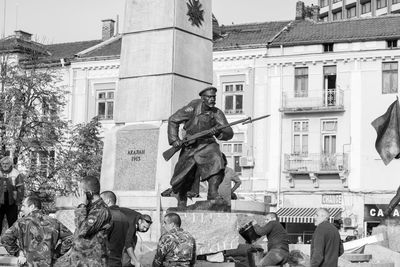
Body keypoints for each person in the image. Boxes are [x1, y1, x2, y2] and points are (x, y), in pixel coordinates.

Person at [168, 86, 234, 208]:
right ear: (203, 99)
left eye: (214, 97)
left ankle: (213, 193)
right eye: (209, 97)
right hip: (191, 145)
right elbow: (173, 120)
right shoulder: (192, 108)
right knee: (183, 175)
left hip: (207, 144)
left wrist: (218, 132)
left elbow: (229, 132)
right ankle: (181, 200)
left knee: (217, 159)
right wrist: (174, 140)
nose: (212, 99)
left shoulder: (217, 113)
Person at [55, 176, 112, 267]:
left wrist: (81, 206)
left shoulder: (101, 210)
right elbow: (77, 235)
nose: (78, 195)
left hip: (92, 262)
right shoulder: (89, 208)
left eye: (81, 192)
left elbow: (83, 230)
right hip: (80, 260)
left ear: (89, 193)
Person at [0, 196, 72, 266]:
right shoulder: (54, 222)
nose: (22, 208)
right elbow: (71, 238)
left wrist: (18, 253)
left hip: (26, 263)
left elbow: (5, 238)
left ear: (32, 206)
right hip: (49, 263)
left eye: (24, 206)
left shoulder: (21, 223)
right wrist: (56, 253)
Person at [100, 191, 130, 267]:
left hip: (106, 261)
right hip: (118, 260)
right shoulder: (124, 217)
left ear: (107, 201)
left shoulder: (106, 215)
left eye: (100, 200)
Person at [0, 156, 24, 234]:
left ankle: (12, 242)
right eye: (3, 163)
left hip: (12, 201)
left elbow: (20, 188)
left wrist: (19, 202)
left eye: (7, 163)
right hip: (0, 200)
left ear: (10, 164)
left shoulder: (16, 173)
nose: (5, 165)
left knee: (13, 223)